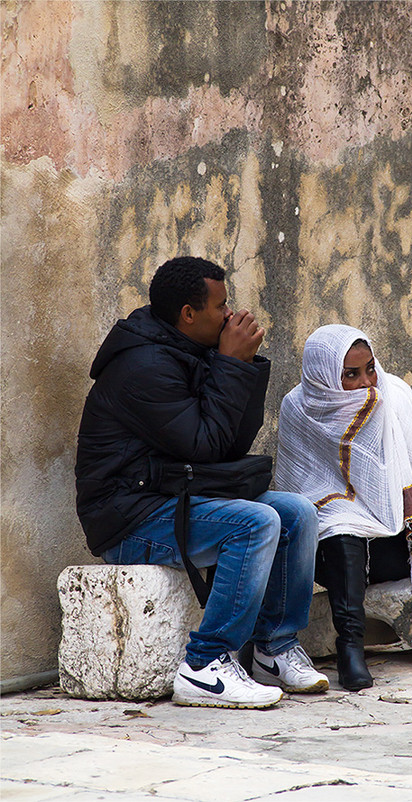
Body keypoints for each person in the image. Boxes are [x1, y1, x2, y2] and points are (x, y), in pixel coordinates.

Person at [75, 256, 328, 709]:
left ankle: (274, 649)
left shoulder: (186, 349)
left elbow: (228, 444)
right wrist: (231, 363)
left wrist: (241, 365)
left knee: (298, 513)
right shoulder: (145, 366)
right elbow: (205, 445)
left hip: (173, 497)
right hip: (129, 519)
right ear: (188, 315)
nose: (230, 315)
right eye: (221, 306)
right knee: (255, 523)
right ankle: (204, 665)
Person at [275, 324, 412, 691]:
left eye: (370, 369)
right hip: (327, 555)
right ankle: (350, 648)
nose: (366, 383)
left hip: (396, 546)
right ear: (323, 375)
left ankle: (349, 647)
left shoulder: (394, 398)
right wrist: (347, 513)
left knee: (348, 520)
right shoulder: (298, 407)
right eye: (351, 374)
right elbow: (300, 489)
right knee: (339, 517)